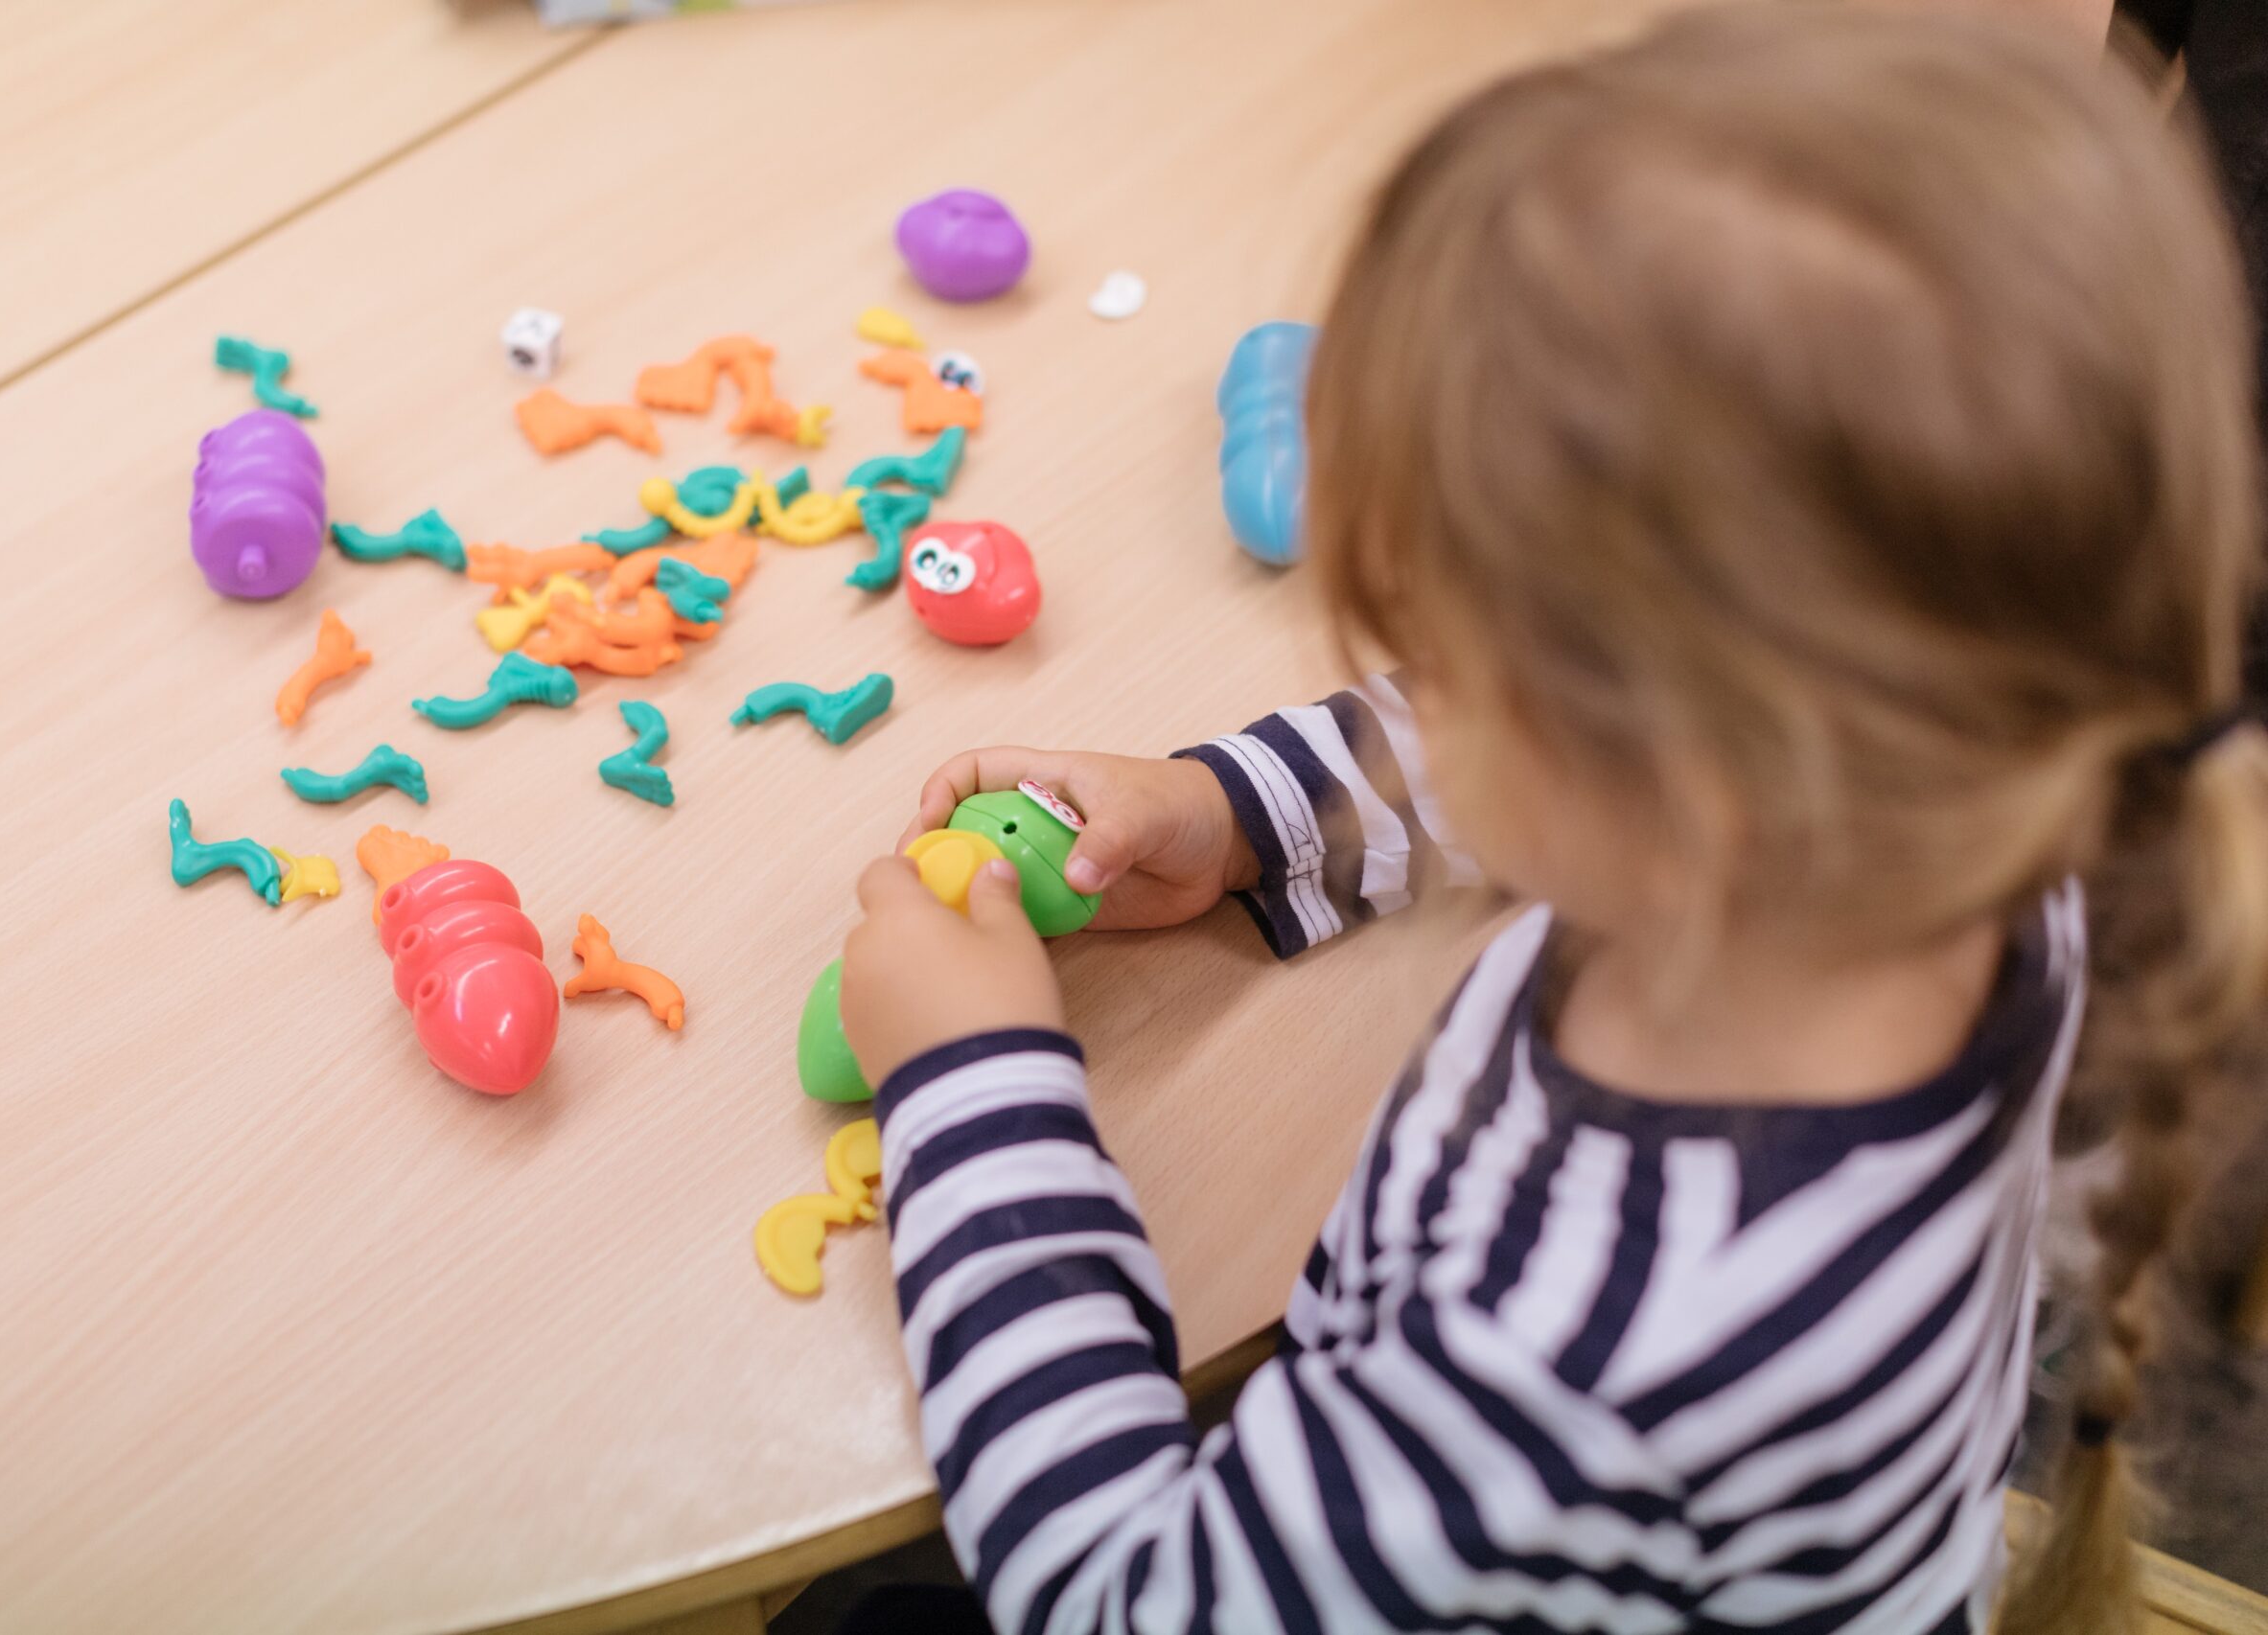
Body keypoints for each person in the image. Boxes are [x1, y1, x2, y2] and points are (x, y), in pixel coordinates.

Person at [832, 5, 2268, 1631]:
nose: (1420, 688)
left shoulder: (1574, 1347)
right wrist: (1236, 812)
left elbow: (1119, 1596)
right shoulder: (1982, 803)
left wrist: (975, 1089)